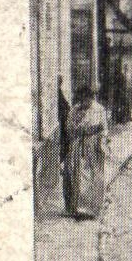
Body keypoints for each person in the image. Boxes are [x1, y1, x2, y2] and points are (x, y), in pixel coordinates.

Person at [64, 85, 109, 221]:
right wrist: (77, 131)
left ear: (91, 98)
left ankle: (92, 209)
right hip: (77, 147)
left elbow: (104, 129)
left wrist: (101, 139)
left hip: (94, 147)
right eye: (81, 100)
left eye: (87, 99)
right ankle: (76, 208)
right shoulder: (74, 110)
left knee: (94, 176)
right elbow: (69, 129)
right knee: (74, 174)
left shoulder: (99, 110)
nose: (84, 102)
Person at [56, 77, 72, 214]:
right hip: (63, 135)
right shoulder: (57, 97)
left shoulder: (59, 95)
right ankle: (70, 206)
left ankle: (71, 206)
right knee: (68, 172)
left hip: (66, 136)